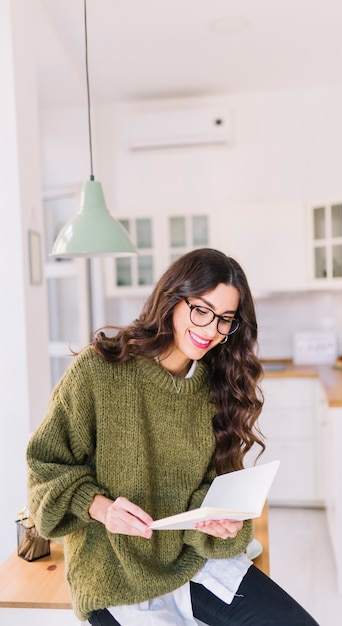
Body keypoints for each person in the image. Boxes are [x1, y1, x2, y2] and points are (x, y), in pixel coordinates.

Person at [27, 248, 319, 625]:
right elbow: (44, 471)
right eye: (201, 310)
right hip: (113, 572)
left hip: (189, 562)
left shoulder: (216, 387)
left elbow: (212, 487)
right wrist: (100, 507)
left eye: (225, 319)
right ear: (172, 299)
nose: (210, 330)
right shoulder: (100, 370)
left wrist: (217, 519)